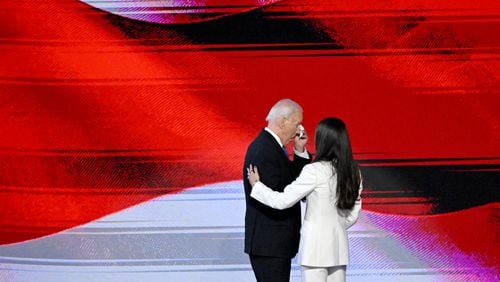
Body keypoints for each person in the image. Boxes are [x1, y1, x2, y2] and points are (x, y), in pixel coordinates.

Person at [247, 117, 363, 282]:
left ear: (322, 141)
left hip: (314, 249)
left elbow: (283, 201)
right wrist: (336, 227)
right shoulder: (353, 170)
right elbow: (354, 211)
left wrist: (257, 186)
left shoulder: (314, 170)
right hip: (338, 249)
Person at [243, 98, 311, 282]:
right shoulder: (264, 150)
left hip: (274, 244)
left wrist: (299, 151)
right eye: (297, 123)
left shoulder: (273, 147)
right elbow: (282, 195)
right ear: (283, 121)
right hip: (269, 244)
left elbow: (295, 185)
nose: (299, 130)